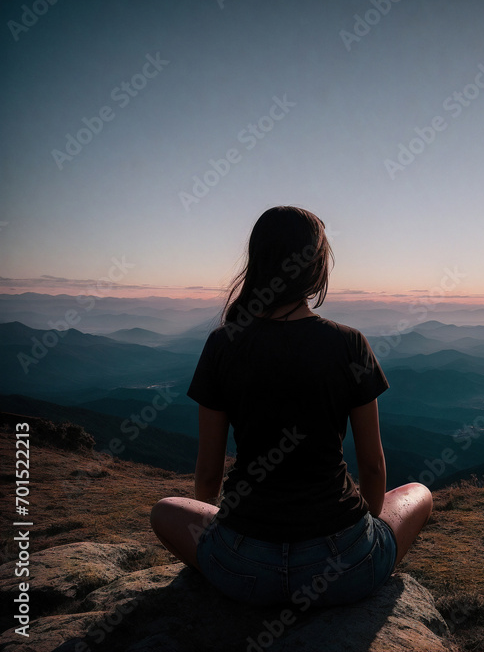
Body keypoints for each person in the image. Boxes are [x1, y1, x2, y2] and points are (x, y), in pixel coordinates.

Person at [150, 206, 432, 607]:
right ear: (316, 268)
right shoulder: (349, 343)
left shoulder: (222, 344)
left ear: (257, 260)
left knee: (164, 511)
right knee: (419, 492)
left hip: (244, 568)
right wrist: (360, 537)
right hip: (343, 569)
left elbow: (209, 471)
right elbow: (372, 466)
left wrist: (228, 539)